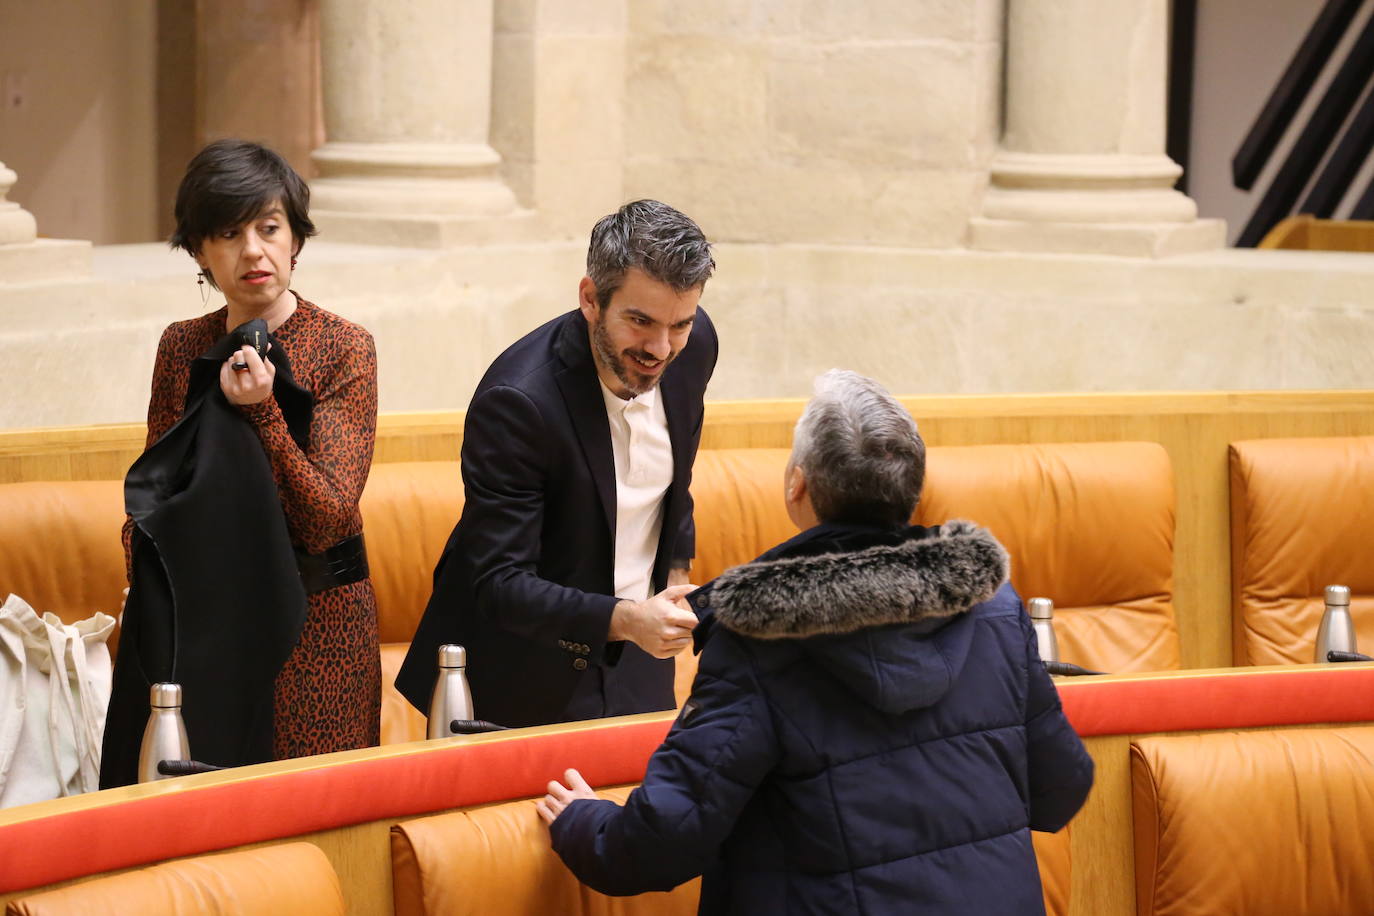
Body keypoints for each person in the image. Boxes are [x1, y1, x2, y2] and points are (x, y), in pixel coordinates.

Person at [538, 370, 1094, 915]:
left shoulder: (760, 638)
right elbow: (1060, 789)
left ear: (795, 483)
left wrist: (583, 820)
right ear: (911, 491)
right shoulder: (992, 607)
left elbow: (656, 846)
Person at [101, 139, 379, 786]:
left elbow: (329, 517)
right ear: (200, 252)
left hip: (319, 626)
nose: (253, 250)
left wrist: (263, 414)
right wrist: (147, 586)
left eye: (269, 228)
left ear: (295, 241)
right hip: (206, 628)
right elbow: (154, 492)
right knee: (198, 823)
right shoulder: (182, 347)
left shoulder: (344, 347)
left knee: (313, 818)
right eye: (228, 233)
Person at [396, 200, 718, 729]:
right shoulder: (518, 400)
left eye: (678, 324)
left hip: (636, 662)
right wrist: (629, 619)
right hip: (520, 673)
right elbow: (500, 582)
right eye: (639, 321)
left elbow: (675, 481)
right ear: (591, 299)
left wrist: (676, 569)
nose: (660, 349)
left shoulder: (695, 346)